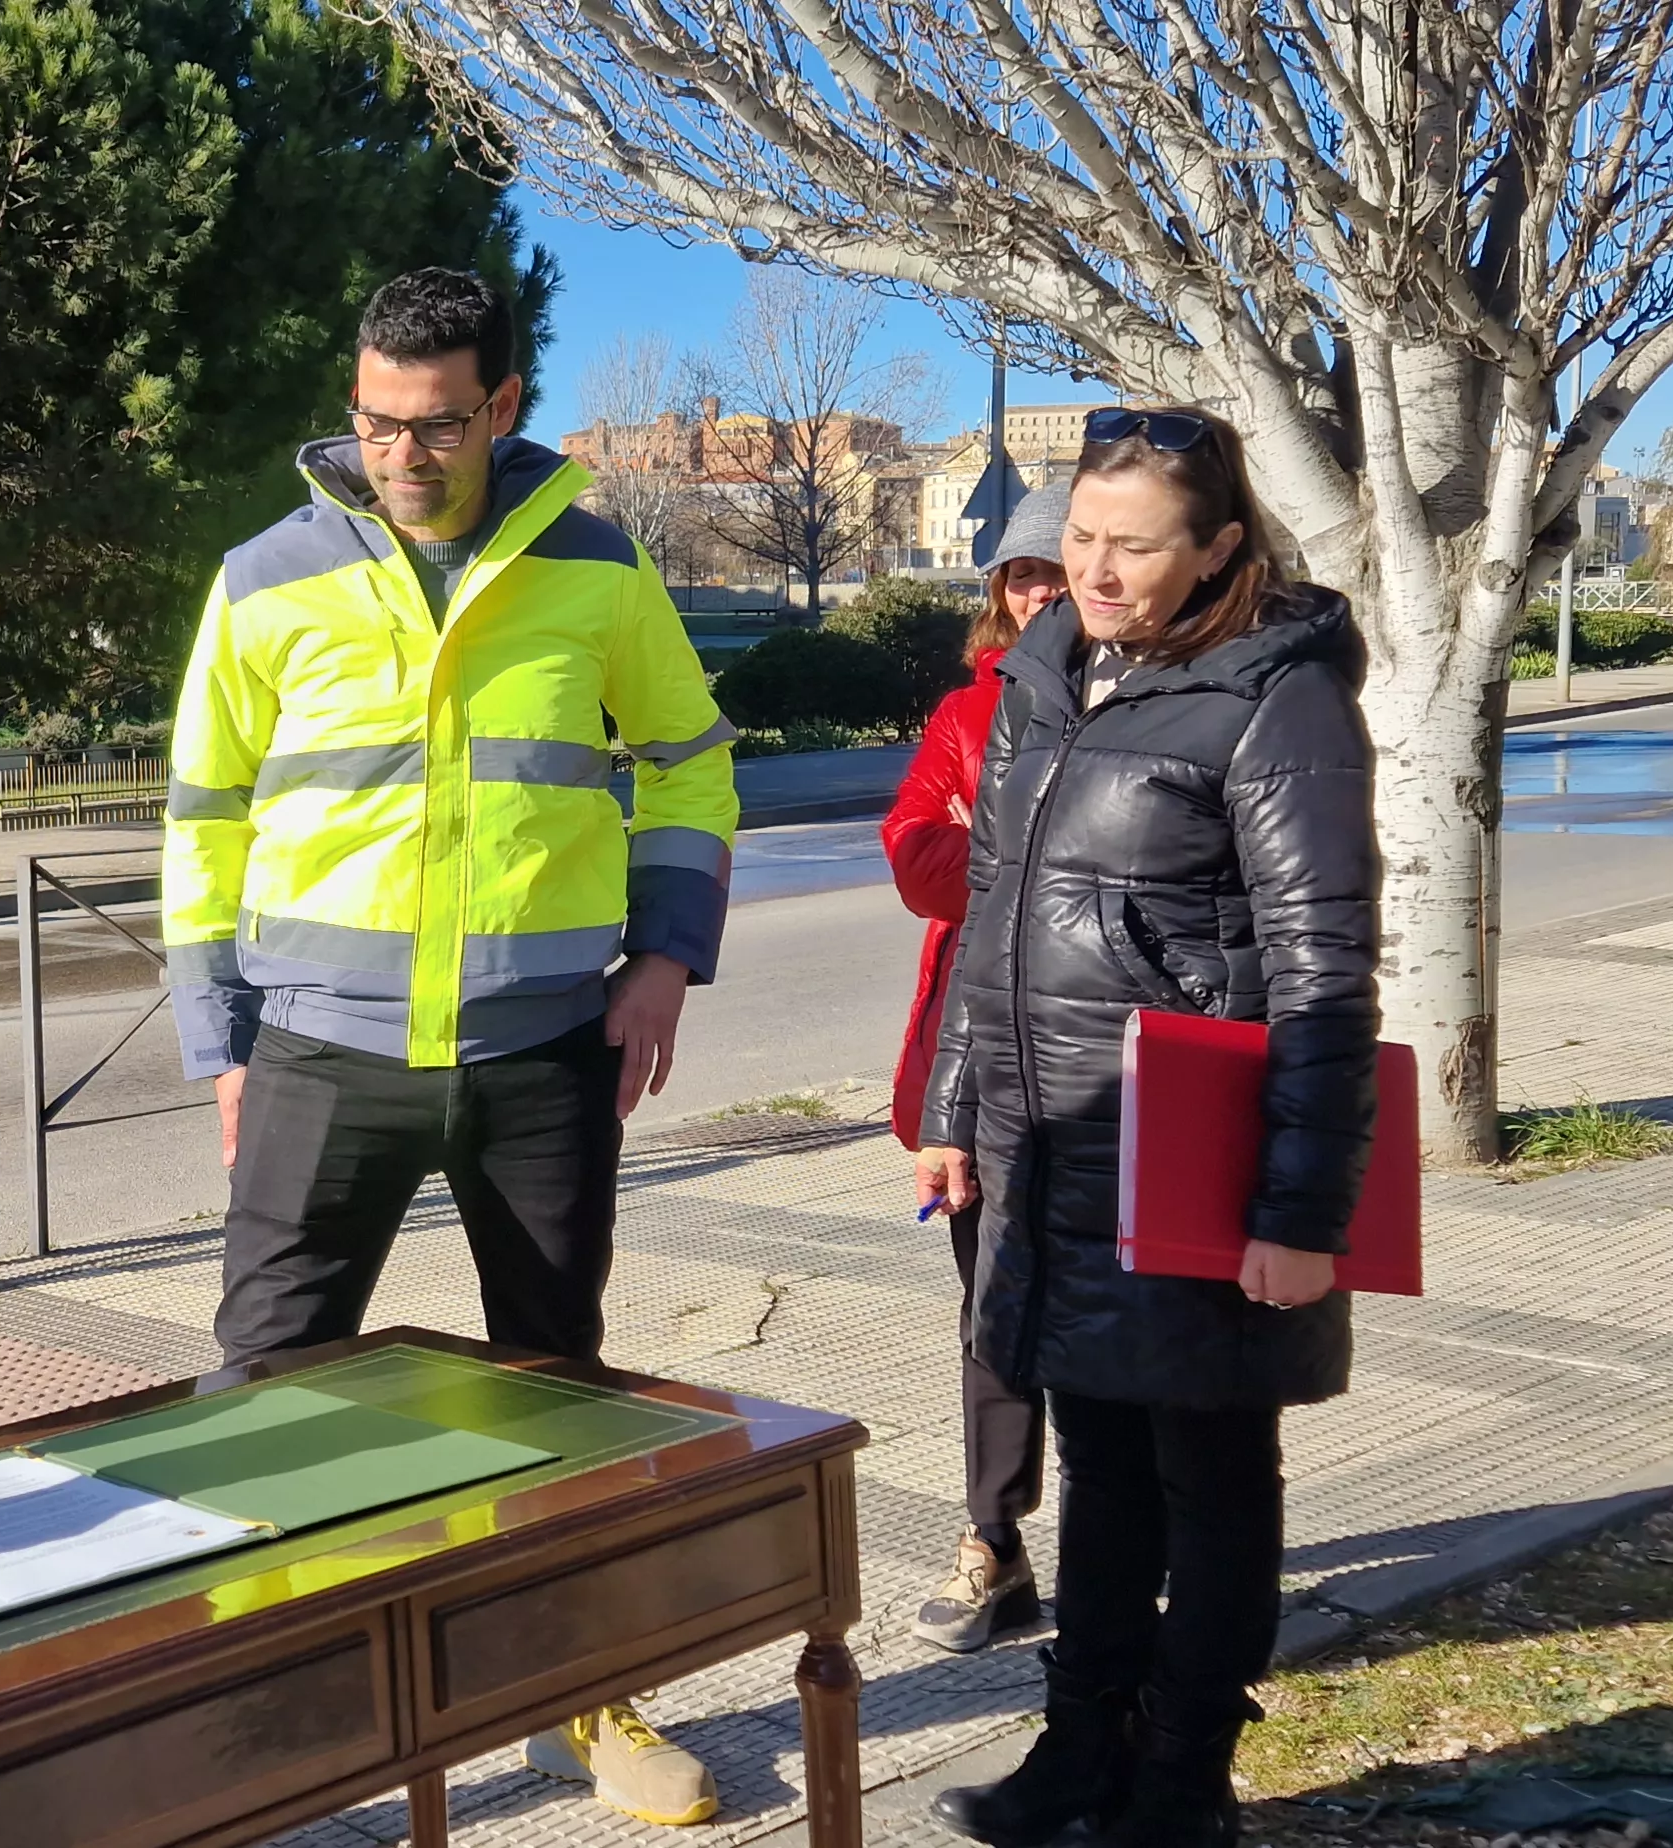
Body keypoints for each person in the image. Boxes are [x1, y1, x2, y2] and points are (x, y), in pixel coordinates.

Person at [163, 266, 742, 1828]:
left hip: (543, 1052)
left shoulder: (600, 573)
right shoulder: (266, 575)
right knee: (272, 1389)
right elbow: (205, 818)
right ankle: (265, 1711)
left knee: (553, 1378)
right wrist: (221, 1038)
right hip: (318, 1056)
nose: (397, 455)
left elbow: (688, 772)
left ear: (500, 408)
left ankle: (578, 1696)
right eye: (371, 423)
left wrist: (665, 963)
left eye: (431, 425)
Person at [913, 406, 1382, 1848]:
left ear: (1219, 548)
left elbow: (1324, 966)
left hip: (1194, 1153)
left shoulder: (1277, 696)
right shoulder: (1048, 672)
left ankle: (1184, 1782)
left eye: (1136, 547)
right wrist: (952, 1109)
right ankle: (1080, 1751)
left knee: (1214, 1468)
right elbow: (995, 911)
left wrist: (1300, 1218)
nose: (1099, 571)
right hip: (1050, 1144)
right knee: (1101, 1465)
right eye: (1084, 540)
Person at [881, 486, 1068, 1654]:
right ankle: (993, 1544)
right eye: (1022, 574)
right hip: (980, 1057)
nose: (1043, 591)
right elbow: (918, 858)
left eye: (1060, 566)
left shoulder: (1156, 699)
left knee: (1119, 1311)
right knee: (991, 1309)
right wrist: (1039, 860)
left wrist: (991, 839)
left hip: (1121, 1064)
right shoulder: (965, 711)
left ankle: (1137, 1538)